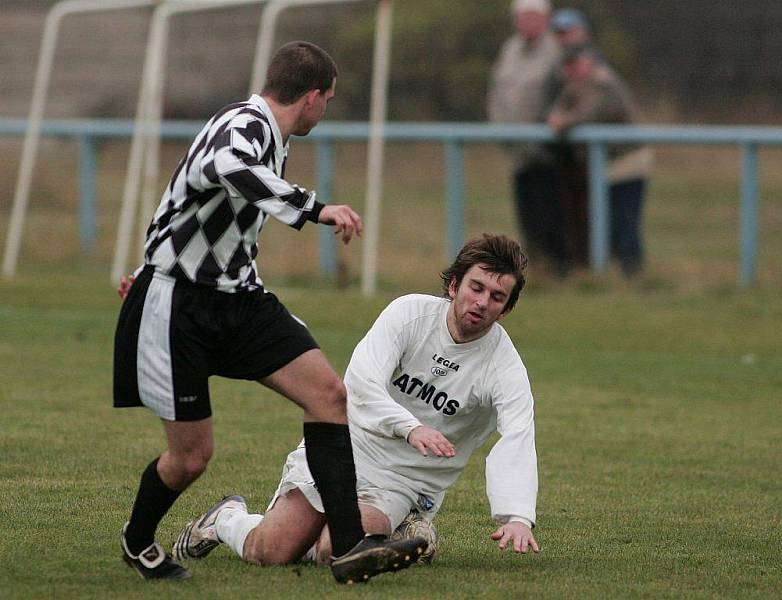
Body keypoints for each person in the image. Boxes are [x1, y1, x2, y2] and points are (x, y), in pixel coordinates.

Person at [113, 40, 426, 584]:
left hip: (239, 300)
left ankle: (350, 547)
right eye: (327, 99)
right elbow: (224, 166)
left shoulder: (273, 139)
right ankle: (138, 540)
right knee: (191, 458)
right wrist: (316, 208)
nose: (324, 110)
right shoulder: (245, 123)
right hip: (179, 306)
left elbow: (191, 208)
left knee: (329, 396)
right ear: (311, 97)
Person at [171, 234, 540, 568]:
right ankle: (226, 518)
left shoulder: (503, 366)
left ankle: (403, 524)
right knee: (270, 552)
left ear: (506, 309)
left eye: (496, 297)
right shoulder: (408, 315)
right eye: (476, 287)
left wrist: (518, 516)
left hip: (404, 480)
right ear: (454, 285)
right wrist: (410, 428)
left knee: (337, 550)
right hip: (347, 447)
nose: (482, 302)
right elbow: (361, 385)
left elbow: (518, 432)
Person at [546, 44, 653, 276]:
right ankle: (615, 274)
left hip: (627, 162)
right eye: (568, 66)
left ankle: (633, 274)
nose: (572, 70)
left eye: (576, 64)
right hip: (605, 166)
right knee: (607, 224)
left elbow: (594, 112)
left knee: (624, 222)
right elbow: (556, 112)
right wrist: (558, 117)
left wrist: (564, 121)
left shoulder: (604, 81)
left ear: (589, 61)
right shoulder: (574, 86)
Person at [487, 0, 568, 276]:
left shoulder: (557, 50)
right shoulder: (509, 50)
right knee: (527, 214)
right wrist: (501, 129)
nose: (526, 22)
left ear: (545, 19)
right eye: (522, 17)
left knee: (553, 214)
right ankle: (536, 268)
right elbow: (497, 93)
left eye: (532, 17)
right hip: (519, 151)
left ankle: (560, 271)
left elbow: (565, 94)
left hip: (550, 152)